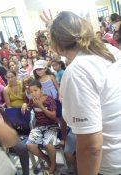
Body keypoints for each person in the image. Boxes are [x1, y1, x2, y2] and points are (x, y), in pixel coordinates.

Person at [47, 11, 121, 175]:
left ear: (57, 46)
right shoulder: (108, 50)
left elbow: (91, 147)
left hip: (111, 162)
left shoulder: (78, 71)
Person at [21, 81, 58, 174]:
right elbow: (28, 106)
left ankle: (53, 165)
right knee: (30, 145)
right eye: (31, 91)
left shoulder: (49, 100)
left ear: (41, 89)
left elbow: (53, 116)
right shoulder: (32, 101)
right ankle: (48, 160)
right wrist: (25, 104)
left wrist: (41, 106)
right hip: (39, 127)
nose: (33, 93)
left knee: (48, 144)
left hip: (51, 126)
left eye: (35, 90)